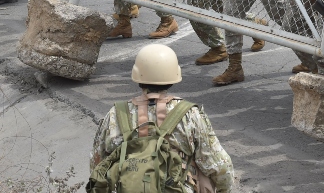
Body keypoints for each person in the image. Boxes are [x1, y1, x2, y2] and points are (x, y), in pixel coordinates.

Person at [88, 44, 235, 191]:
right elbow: (220, 166)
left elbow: (97, 164)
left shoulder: (116, 114)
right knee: (203, 171)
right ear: (174, 76)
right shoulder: (189, 115)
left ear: (137, 75)